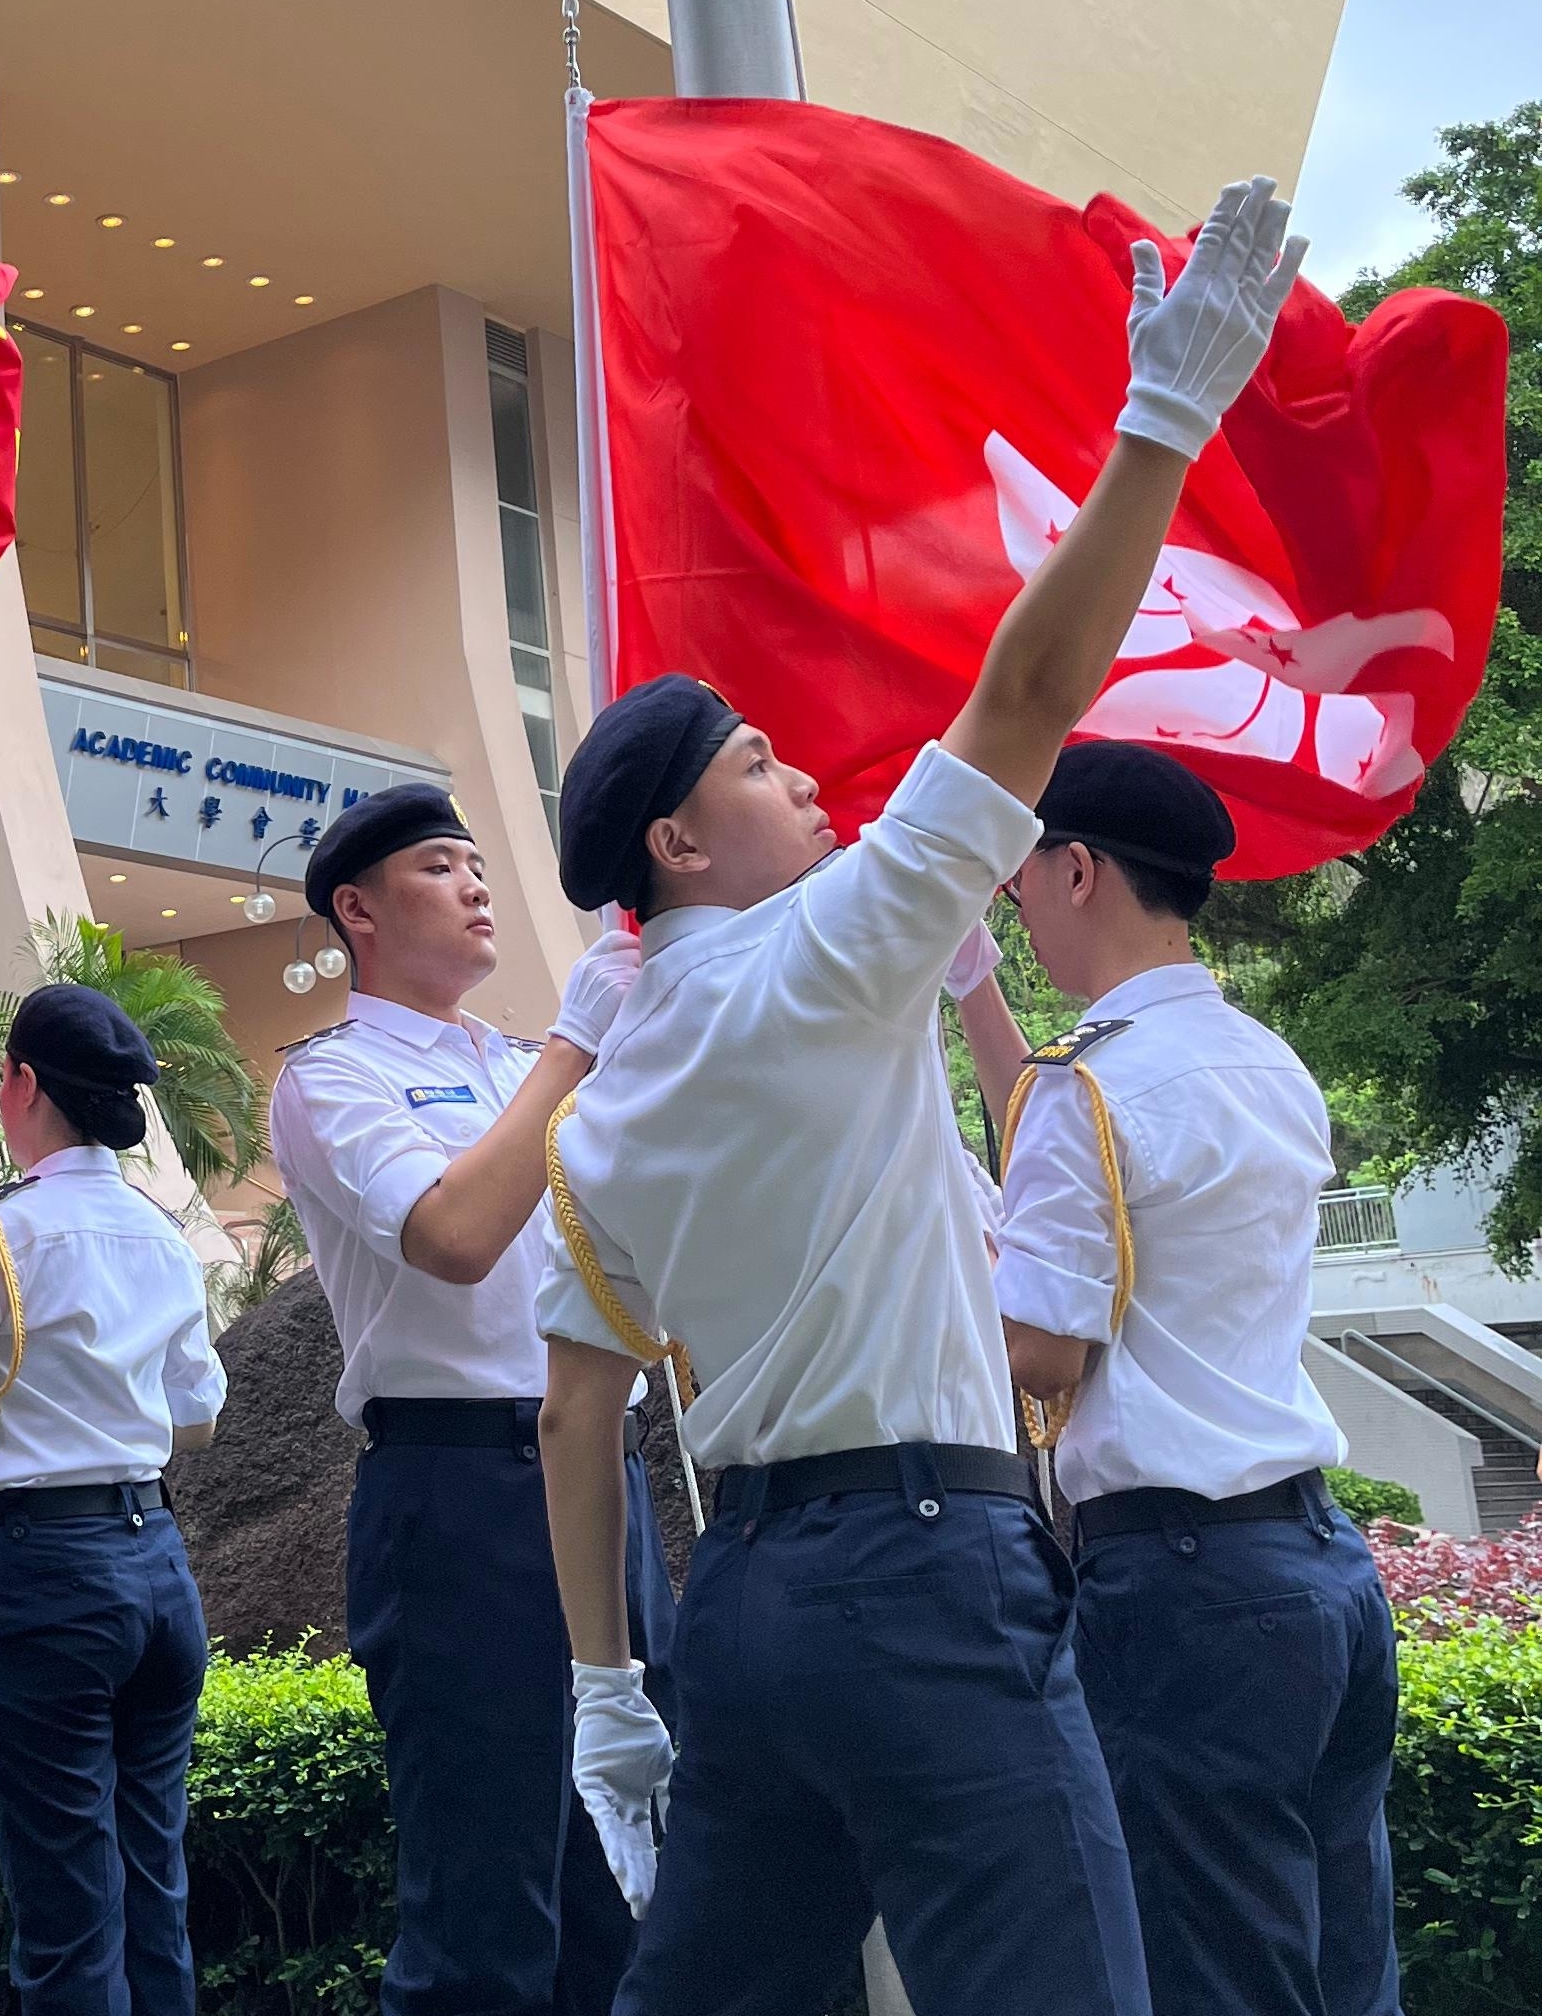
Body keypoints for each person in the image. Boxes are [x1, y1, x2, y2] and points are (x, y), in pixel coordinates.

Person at [529, 177, 1306, 2016]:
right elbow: (1033, 684)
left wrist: (607, 1689)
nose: (804, 780)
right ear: (676, 841)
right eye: (757, 763)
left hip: (746, 1601)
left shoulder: (614, 1093)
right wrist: (1165, 419)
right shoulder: (822, 958)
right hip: (926, 1571)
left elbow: (576, 1406)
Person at [996, 739, 1401, 2016]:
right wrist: (974, 1008)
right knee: (1345, 1974)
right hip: (1318, 1572)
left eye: (1017, 887)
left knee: (1215, 1982)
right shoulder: (1264, 1062)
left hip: (1185, 1592)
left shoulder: (1090, 1089)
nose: (1014, 914)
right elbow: (1098, 1179)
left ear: (1077, 870)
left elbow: (1042, 1349)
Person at [266, 782, 666, 2016]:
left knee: (633, 1881)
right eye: (443, 866)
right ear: (358, 909)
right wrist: (571, 1052)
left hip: (598, 1468)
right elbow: (452, 1234)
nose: (478, 885)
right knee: (483, 1912)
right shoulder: (332, 1079)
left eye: (478, 864)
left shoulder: (517, 1062)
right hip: (459, 1491)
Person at [0, 983, 228, 2016]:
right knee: (152, 1883)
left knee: (67, 1909)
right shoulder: (161, 1232)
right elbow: (196, 1415)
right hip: (155, 1558)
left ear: (24, 1085)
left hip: (45, 1570)